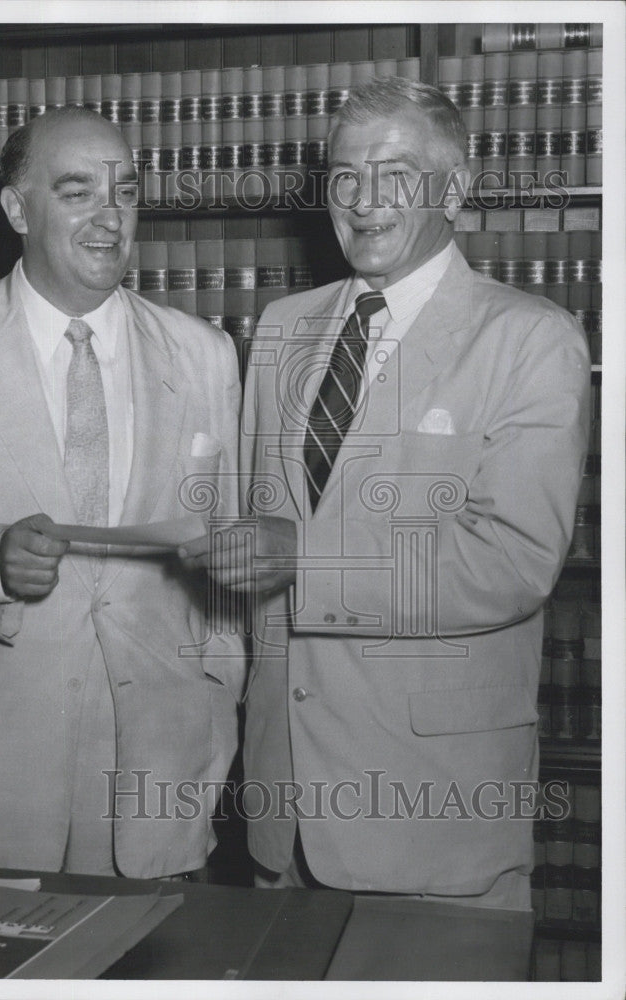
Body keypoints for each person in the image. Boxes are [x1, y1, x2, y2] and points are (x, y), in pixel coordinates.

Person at [181, 77, 590, 908]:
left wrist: (304, 558)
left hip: (434, 815)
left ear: (456, 186)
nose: (363, 200)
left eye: (395, 174)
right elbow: (252, 539)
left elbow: (509, 563)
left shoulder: (531, 339)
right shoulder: (283, 329)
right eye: (343, 176)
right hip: (283, 810)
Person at [0, 107, 244, 878]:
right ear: (17, 209)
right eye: (76, 191)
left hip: (157, 778)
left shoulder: (206, 354)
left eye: (125, 191)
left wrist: (219, 699)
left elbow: (223, 561)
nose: (109, 217)